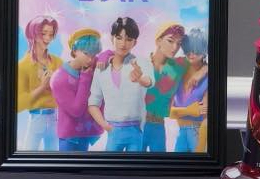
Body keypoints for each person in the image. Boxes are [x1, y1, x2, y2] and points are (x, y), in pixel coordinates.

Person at [88, 17, 152, 152]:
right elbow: (93, 103)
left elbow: (149, 82)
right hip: (113, 130)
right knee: (110, 165)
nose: (123, 44)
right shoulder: (101, 68)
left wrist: (140, 79)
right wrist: (105, 126)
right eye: (119, 38)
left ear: (135, 42)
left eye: (128, 39)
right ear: (112, 38)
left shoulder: (141, 63)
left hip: (135, 129)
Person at [50, 28, 105, 151]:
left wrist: (102, 58)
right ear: (74, 50)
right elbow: (76, 110)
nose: (90, 59)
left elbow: (109, 55)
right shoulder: (59, 78)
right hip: (69, 138)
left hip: (86, 134)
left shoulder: (91, 64)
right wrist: (85, 78)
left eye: (93, 55)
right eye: (86, 53)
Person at [17, 15, 62, 150]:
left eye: (51, 34)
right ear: (33, 34)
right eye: (43, 34)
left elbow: (66, 91)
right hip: (36, 118)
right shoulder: (23, 65)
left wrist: (55, 85)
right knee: (28, 155)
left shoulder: (57, 62)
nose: (48, 38)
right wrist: (42, 87)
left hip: (55, 118)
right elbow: (19, 103)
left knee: (54, 156)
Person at [141, 22, 188, 152]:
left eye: (179, 43)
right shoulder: (141, 64)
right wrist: (105, 57)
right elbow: (115, 57)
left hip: (159, 125)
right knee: (135, 162)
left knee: (160, 161)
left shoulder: (179, 66)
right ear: (158, 41)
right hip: (138, 124)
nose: (175, 47)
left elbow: (201, 60)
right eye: (170, 41)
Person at [170, 28, 209, 152]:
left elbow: (205, 116)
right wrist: (188, 110)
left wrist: (201, 146)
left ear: (204, 51)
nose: (191, 54)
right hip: (181, 131)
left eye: (196, 50)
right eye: (188, 50)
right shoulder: (178, 73)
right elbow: (168, 112)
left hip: (198, 131)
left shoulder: (207, 78)